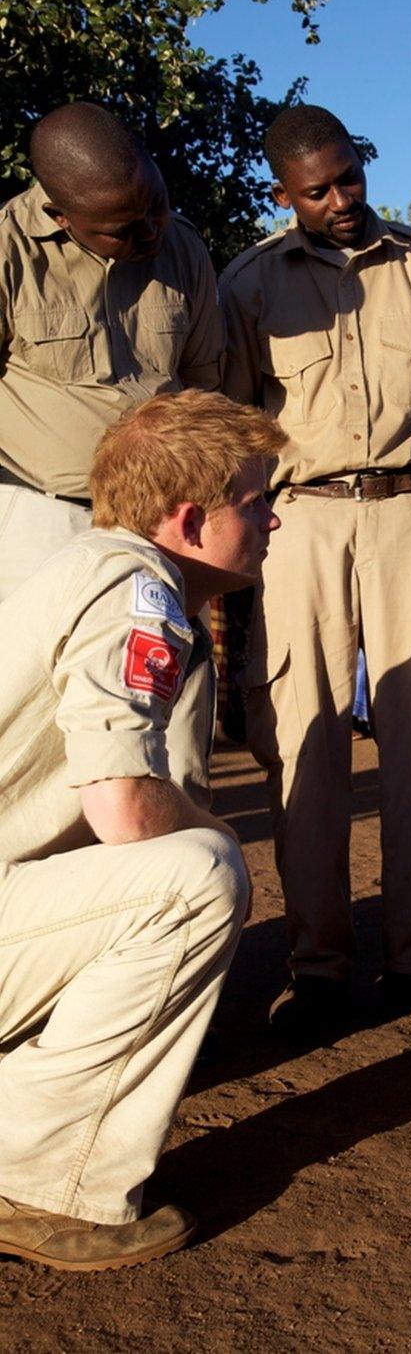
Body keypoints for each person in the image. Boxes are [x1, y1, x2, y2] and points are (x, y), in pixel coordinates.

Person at [0, 389, 284, 1270]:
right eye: (257, 500)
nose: (274, 517)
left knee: (173, 863)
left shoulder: (98, 565)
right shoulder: (134, 587)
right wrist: (210, 833)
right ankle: (35, 1177)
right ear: (191, 519)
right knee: (198, 871)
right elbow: (122, 806)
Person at [220, 105, 411, 1035]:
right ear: (282, 195)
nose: (340, 201)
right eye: (316, 190)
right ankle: (317, 966)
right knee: (304, 746)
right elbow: (233, 420)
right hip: (299, 523)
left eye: (349, 178)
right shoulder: (249, 282)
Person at [0, 102, 223, 599]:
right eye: (122, 229)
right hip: (41, 522)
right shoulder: (7, 249)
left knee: (164, 674)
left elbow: (206, 388)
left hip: (162, 522)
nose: (150, 232)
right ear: (61, 216)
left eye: (156, 205)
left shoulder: (184, 248)